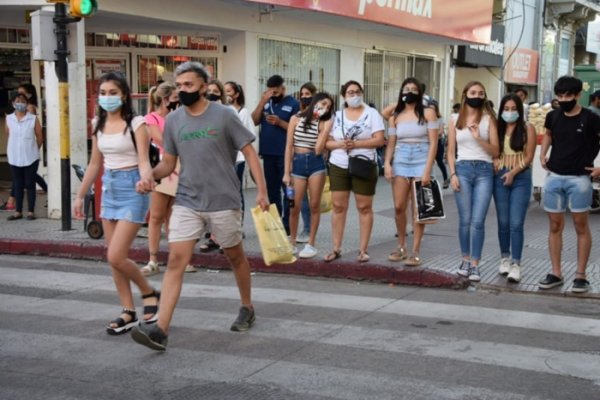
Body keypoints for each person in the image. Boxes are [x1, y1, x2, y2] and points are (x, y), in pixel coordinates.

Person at [130, 62, 269, 351]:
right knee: (176, 262)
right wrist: (149, 176)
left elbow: (250, 154)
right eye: (179, 86)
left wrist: (262, 192)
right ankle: (161, 330)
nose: (182, 91)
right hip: (187, 201)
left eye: (189, 85)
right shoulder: (175, 121)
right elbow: (168, 163)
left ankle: (247, 306)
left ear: (204, 87)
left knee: (235, 257)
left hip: (223, 200)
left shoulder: (225, 116)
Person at [73, 71, 159, 335]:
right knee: (114, 259)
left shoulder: (136, 123)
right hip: (108, 188)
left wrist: (146, 179)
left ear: (124, 95)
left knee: (116, 255)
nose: (107, 98)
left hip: (133, 187)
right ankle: (128, 311)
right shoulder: (98, 122)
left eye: (113, 93)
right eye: (103, 93)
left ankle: (148, 292)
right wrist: (80, 195)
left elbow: (144, 160)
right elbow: (94, 163)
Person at [538, 76, 600, 293]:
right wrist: (543, 153)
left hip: (580, 179)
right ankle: (556, 272)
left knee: (580, 226)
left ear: (578, 95)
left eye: (568, 96)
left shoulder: (591, 118)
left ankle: (581, 275)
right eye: (560, 95)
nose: (563, 99)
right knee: (554, 226)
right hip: (554, 177)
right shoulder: (553, 116)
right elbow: (548, 134)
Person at [324, 80, 384, 263]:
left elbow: (380, 140)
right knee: (339, 206)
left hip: (363, 165)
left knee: (364, 207)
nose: (354, 95)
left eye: (357, 92)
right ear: (344, 96)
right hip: (339, 164)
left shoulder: (372, 114)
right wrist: (342, 144)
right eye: (350, 92)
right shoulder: (336, 115)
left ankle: (363, 250)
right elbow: (327, 142)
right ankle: (336, 248)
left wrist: (357, 144)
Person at [447, 81, 499, 282]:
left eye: (481, 92)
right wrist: (452, 175)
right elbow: (450, 151)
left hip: (485, 170)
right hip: (462, 169)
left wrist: (478, 137)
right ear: (465, 95)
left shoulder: (489, 119)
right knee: (465, 219)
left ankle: (476, 264)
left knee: (478, 221)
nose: (477, 95)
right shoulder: (454, 119)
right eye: (473, 92)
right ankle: (465, 260)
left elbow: (495, 150)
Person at [384, 78, 438, 266]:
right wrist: (387, 164)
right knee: (399, 206)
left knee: (418, 208)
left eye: (414, 89)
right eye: (406, 89)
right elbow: (391, 143)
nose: (410, 92)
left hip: (421, 158)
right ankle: (401, 246)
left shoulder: (428, 113)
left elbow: (434, 143)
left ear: (420, 92)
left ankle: (415, 250)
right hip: (400, 159)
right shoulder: (395, 116)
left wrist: (427, 171)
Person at [140, 82, 189, 276]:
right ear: (165, 99)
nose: (179, 102)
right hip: (162, 168)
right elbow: (162, 141)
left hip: (180, 167)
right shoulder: (151, 119)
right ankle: (153, 259)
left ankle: (175, 258)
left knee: (173, 217)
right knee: (157, 216)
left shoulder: (180, 117)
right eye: (176, 98)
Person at [283, 92, 334, 258]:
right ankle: (292, 242)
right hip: (297, 163)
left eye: (328, 107)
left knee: (314, 205)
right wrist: (286, 172)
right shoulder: (295, 119)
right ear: (315, 101)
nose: (324, 108)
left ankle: (311, 244)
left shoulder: (323, 122)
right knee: (294, 206)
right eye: (323, 103)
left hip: (315, 163)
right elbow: (289, 147)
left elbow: (320, 149)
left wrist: (326, 127)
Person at [493, 93, 536, 283]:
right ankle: (504, 258)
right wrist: (496, 162)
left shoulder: (528, 128)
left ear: (520, 110)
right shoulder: (496, 128)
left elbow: (528, 157)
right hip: (499, 176)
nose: (509, 113)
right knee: (503, 222)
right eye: (506, 109)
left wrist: (513, 173)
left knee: (516, 223)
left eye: (513, 109)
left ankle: (516, 264)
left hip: (521, 177)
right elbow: (493, 151)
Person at [251, 75, 300, 234]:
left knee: (287, 191)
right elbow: (254, 121)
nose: (274, 95)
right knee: (272, 191)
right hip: (268, 153)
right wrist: (262, 102)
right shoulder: (267, 102)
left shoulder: (293, 104)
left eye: (277, 92)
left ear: (283, 89)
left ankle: (288, 224)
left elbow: (298, 130)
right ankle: (276, 222)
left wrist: (280, 122)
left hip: (285, 155)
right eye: (271, 92)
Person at [5, 93, 42, 221]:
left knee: (30, 184)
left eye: (23, 101)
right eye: (17, 101)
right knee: (18, 184)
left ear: (26, 104)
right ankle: (18, 211)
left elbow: (39, 136)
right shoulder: (9, 118)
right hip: (14, 157)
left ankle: (31, 211)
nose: (20, 103)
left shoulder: (32, 119)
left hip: (31, 157)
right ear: (13, 103)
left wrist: (33, 148)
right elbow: (8, 134)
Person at [225, 80, 256, 229]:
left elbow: (250, 135)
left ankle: (238, 224)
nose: (226, 95)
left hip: (237, 158)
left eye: (229, 92)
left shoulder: (243, 112)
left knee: (235, 191)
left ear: (236, 94)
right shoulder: (221, 111)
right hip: (222, 159)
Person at [296, 82, 318, 243]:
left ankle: (311, 233)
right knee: (300, 198)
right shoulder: (296, 117)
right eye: (302, 95)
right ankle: (305, 228)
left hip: (314, 159)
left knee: (315, 200)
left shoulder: (320, 116)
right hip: (297, 160)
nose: (304, 97)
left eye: (308, 95)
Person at [431, 101, 449, 188]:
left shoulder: (440, 119)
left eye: (433, 109)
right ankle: (430, 181)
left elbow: (441, 131)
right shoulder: (426, 118)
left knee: (439, 161)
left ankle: (446, 179)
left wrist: (431, 133)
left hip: (438, 142)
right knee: (428, 162)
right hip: (428, 142)